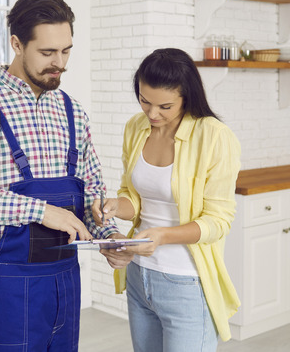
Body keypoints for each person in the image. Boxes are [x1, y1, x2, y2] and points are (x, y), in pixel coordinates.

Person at [0, 0, 121, 352]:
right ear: (17, 44)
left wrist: (110, 236)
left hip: (65, 284)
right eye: (47, 53)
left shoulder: (72, 111)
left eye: (66, 51)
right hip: (6, 288)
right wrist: (41, 211)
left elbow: (93, 195)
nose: (59, 63)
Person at [92, 48, 241, 352]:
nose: (152, 113)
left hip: (186, 282)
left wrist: (161, 236)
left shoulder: (214, 136)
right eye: (145, 100)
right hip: (139, 275)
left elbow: (219, 221)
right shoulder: (136, 128)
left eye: (165, 106)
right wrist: (113, 206)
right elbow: (134, 196)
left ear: (187, 97)